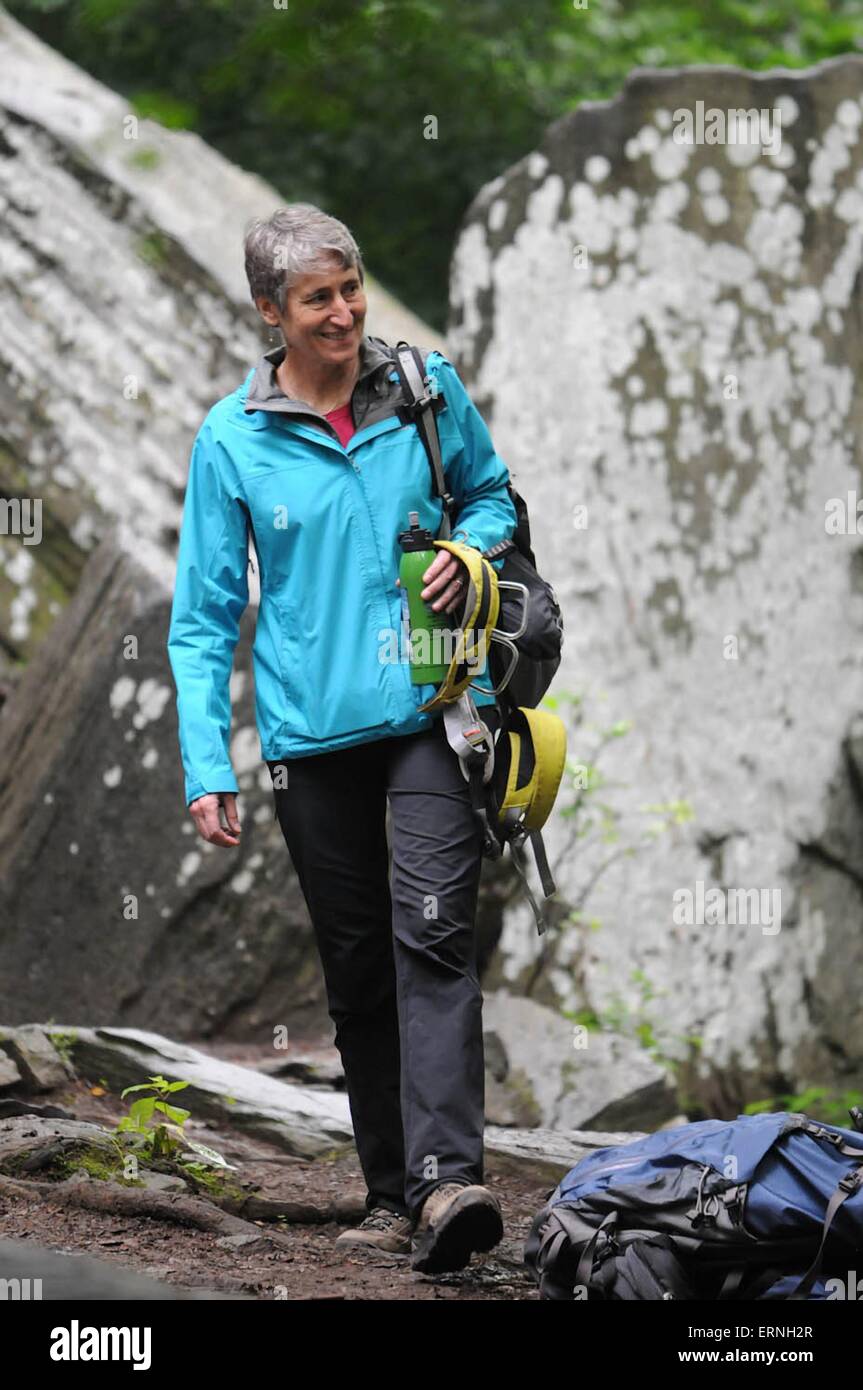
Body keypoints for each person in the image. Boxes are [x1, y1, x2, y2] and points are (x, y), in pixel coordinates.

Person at [167, 203, 518, 1275]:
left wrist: (467, 546)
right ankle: (385, 1191)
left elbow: (495, 498)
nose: (344, 310)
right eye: (317, 297)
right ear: (271, 312)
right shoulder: (232, 437)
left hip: (427, 708)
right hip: (307, 735)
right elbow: (201, 614)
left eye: (351, 285)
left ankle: (448, 1179)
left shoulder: (420, 387)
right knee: (357, 965)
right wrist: (201, 759)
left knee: (431, 934)